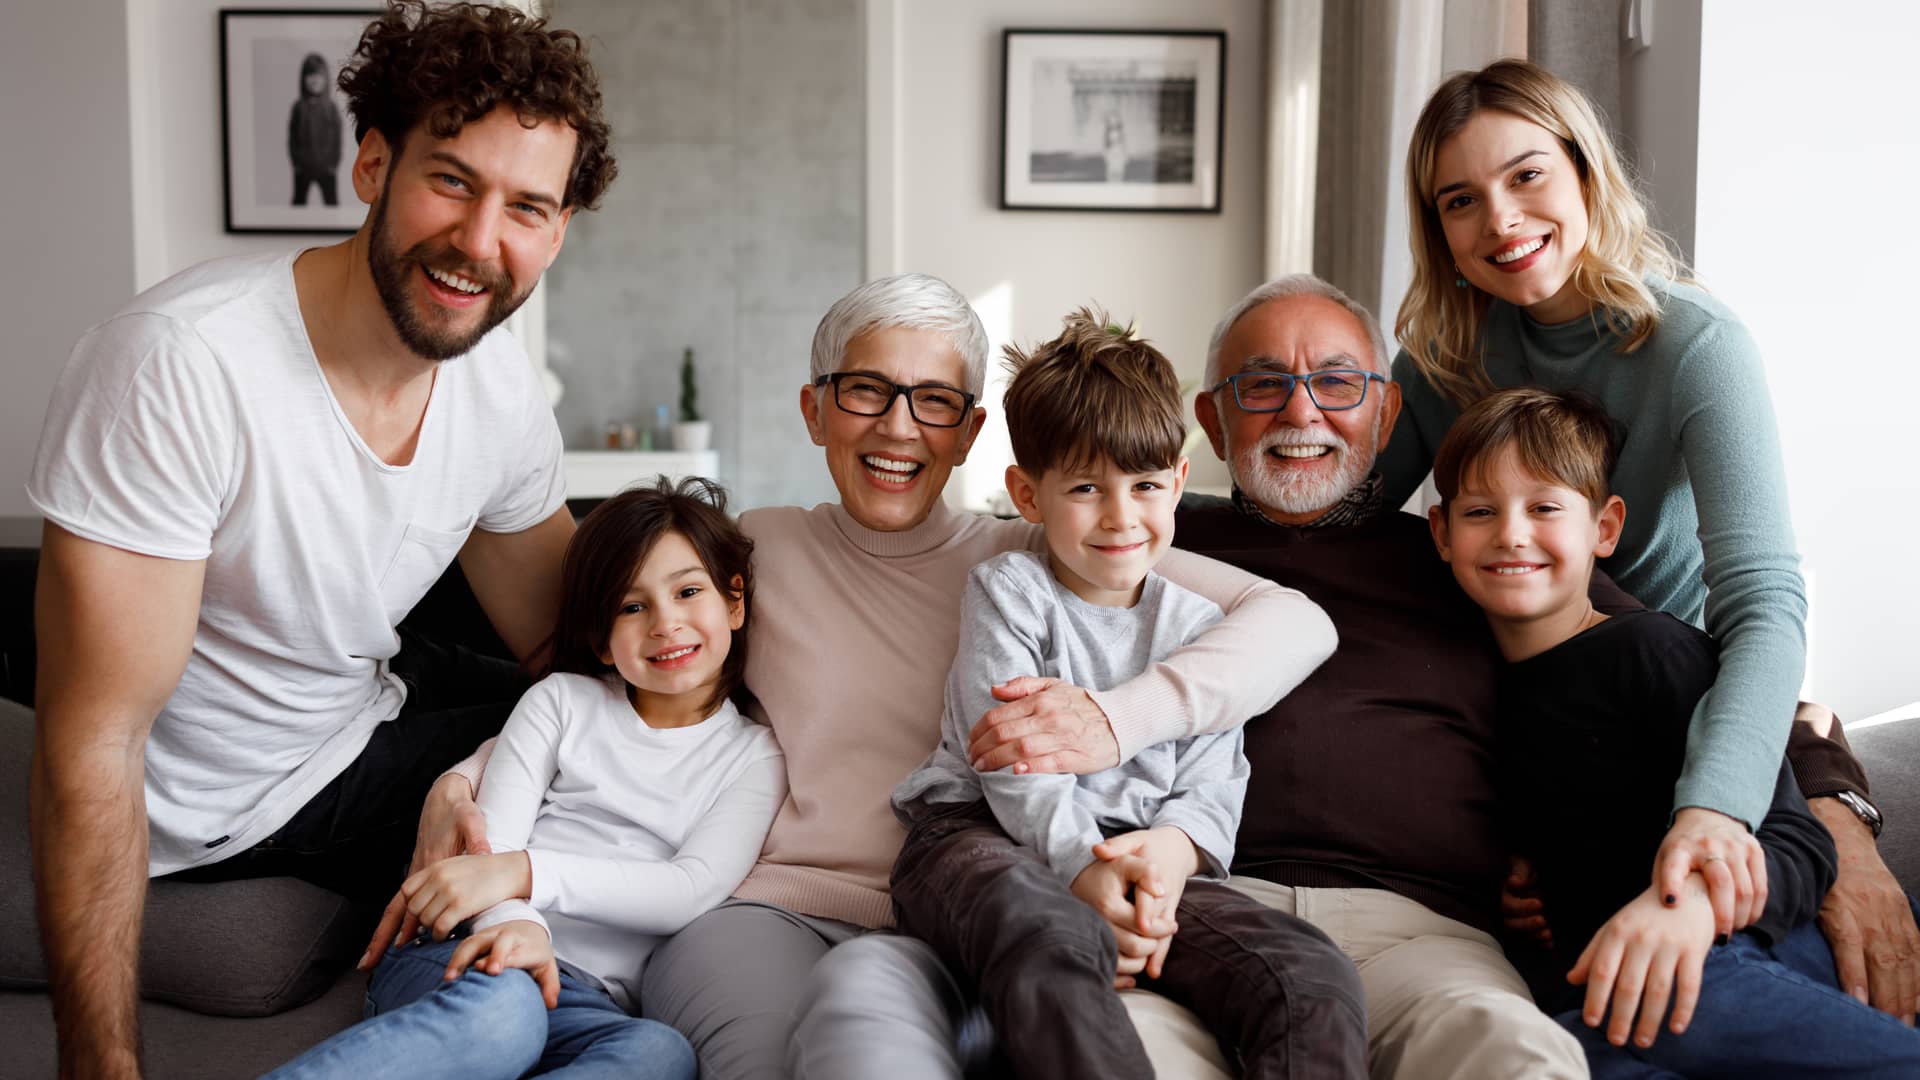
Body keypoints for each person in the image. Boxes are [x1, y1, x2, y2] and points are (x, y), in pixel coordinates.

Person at [415, 272, 1338, 1079]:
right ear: (815, 409)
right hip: (764, 908)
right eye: (866, 391)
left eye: (934, 400)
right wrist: (459, 782)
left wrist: (1115, 720)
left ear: (972, 432)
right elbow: (616, 678)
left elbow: (1294, 624)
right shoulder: (759, 549)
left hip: (960, 911)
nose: (898, 426)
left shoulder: (1048, 546)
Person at [993, 273, 1907, 1080]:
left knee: (1517, 1058)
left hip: (1424, 934)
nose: (1301, 412)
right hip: (1200, 914)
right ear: (1209, 421)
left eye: (1338, 382)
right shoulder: (1134, 537)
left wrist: (1836, 811)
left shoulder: (1470, 548)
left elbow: (1684, 674)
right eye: (1263, 384)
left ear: (1388, 414)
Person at [23, 3, 616, 1075]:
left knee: (662, 717)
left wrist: (479, 767)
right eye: (451, 181)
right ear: (373, 165)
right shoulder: (182, 365)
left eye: (525, 206)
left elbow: (571, 644)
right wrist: (99, 1066)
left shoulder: (495, 385)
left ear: (558, 229)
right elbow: (95, 746)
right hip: (234, 796)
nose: (481, 244)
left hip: (359, 703)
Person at [1381, 58, 1805, 944]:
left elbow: (1764, 601)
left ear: (1585, 171)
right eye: (1460, 200)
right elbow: (1337, 528)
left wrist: (1717, 811)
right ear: (1439, 229)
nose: (1500, 219)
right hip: (1526, 722)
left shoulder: (1697, 345)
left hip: (1665, 710)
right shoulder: (1439, 360)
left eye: (1527, 174)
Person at [889, 309, 1362, 1079]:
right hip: (978, 840)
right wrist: (1083, 871)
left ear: (1178, 481)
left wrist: (1168, 861)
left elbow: (1213, 782)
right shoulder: (1009, 591)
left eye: (1145, 485)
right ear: (1027, 495)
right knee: (1050, 931)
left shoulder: (1199, 625)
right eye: (1085, 486)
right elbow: (1012, 761)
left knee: (1309, 976)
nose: (1120, 517)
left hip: (1143, 856)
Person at [1427, 386, 1920, 1077]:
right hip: (1605, 989)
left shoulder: (1652, 653)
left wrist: (1691, 911)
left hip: (1741, 944)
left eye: (1544, 508)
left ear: (1604, 528)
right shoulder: (1471, 683)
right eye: (1481, 512)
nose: (1511, 533)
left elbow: (1798, 843)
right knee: (1555, 1049)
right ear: (1442, 533)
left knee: (1652, 1004)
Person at [267, 479, 777, 1080]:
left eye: (689, 592)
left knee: (659, 1054)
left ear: (734, 603)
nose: (666, 624)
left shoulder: (755, 756)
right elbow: (493, 847)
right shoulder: (560, 702)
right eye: (631, 606)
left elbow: (688, 888)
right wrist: (519, 927)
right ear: (602, 641)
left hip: (585, 996)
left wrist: (527, 874)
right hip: (468, 949)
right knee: (508, 1010)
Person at [289, 52, 343, 207]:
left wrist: (333, 163)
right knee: (298, 202)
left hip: (326, 168)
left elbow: (337, 139)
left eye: (318, 75)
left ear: (325, 78)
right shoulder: (298, 108)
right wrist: (296, 162)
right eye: (310, 75)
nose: (314, 80)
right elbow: (292, 138)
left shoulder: (330, 108)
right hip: (303, 167)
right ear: (303, 78)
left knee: (331, 203)